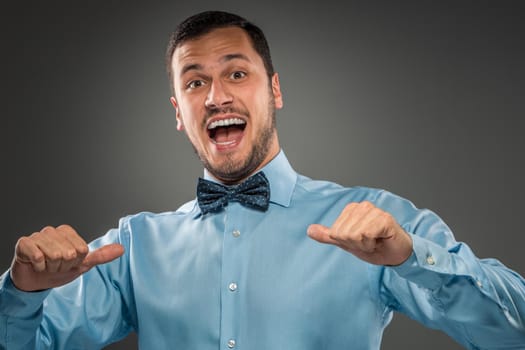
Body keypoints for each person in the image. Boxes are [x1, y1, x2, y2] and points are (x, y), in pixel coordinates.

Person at [1, 10, 524, 349]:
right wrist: (23, 291)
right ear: (179, 112)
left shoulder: (372, 222)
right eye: (195, 82)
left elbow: (512, 329)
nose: (215, 97)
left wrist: (413, 258)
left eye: (236, 73)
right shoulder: (134, 247)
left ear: (274, 90)